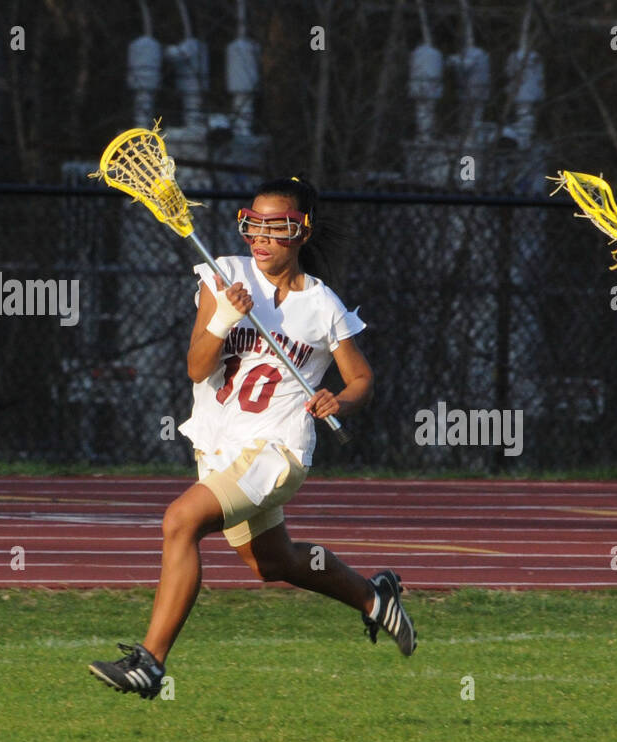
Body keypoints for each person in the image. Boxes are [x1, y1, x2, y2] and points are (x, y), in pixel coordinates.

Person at [90, 177, 416, 699]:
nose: (261, 238)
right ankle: (376, 600)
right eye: (254, 225)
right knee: (275, 562)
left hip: (277, 450)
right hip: (221, 444)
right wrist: (223, 317)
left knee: (180, 521)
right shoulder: (226, 275)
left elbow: (362, 379)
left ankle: (149, 664)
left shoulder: (322, 305)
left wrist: (341, 400)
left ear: (302, 231)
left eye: (277, 226)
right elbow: (198, 369)